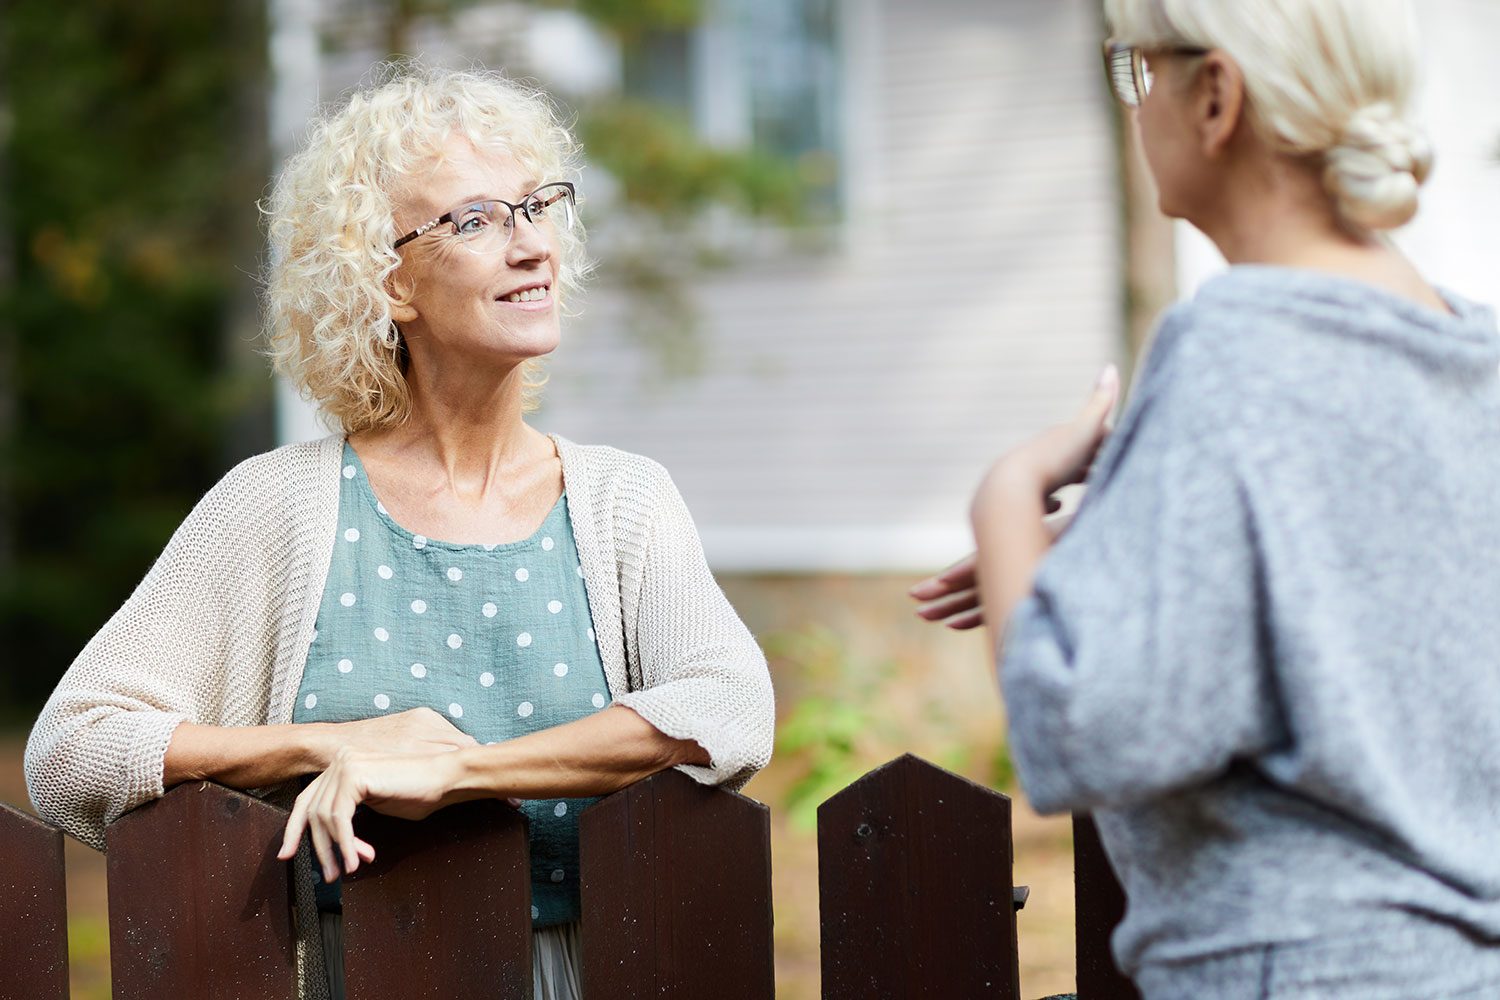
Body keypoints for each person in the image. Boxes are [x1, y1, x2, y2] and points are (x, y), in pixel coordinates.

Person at [25, 65, 775, 1000]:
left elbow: (729, 708)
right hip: (345, 972)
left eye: (537, 207)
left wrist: (460, 770)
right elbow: (71, 749)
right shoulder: (275, 505)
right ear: (387, 283)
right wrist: (327, 745)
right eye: (476, 220)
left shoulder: (624, 498)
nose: (531, 245)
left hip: (583, 972)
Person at [913, 0, 1500, 995]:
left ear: (1217, 96)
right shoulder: (1472, 354)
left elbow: (1080, 736)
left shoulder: (1233, 348)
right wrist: (1121, 524)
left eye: (1140, 71)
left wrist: (1007, 501)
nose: (1138, 109)